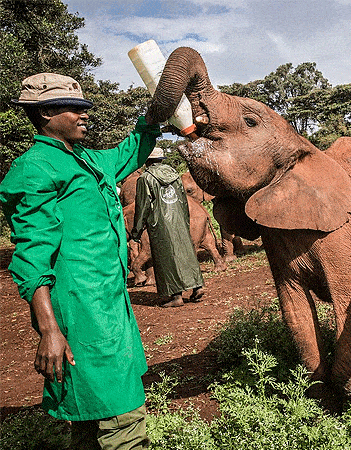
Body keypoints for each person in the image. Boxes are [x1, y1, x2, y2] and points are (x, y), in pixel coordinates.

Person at [0, 73, 161, 449]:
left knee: (89, 417)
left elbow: (129, 151)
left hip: (108, 300)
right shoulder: (36, 168)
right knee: (124, 416)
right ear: (43, 115)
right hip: (82, 309)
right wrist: (49, 330)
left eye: (84, 107)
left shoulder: (85, 159)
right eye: (73, 109)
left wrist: (153, 118)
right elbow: (32, 256)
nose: (84, 114)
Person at [131, 149, 205, 308]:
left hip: (160, 224)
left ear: (147, 161)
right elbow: (184, 201)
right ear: (161, 159)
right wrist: (184, 221)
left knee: (166, 259)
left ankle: (176, 296)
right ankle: (197, 286)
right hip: (179, 220)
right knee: (185, 253)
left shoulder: (145, 178)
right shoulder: (174, 174)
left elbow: (143, 206)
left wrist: (136, 231)